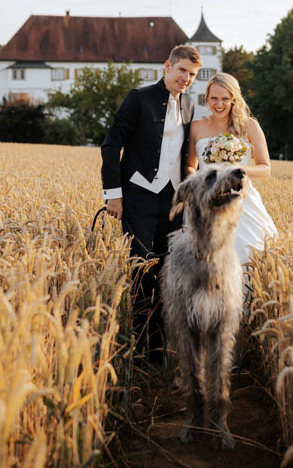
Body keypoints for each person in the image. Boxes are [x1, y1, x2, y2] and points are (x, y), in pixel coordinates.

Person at [100, 44, 201, 362]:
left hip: (173, 202)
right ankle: (142, 349)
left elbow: (187, 155)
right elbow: (111, 144)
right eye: (182, 70)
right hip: (139, 197)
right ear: (167, 66)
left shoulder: (189, 105)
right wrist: (113, 194)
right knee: (142, 271)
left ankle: (159, 350)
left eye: (192, 74)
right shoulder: (138, 97)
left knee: (169, 273)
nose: (186, 78)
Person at [186, 72, 278, 308]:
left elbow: (265, 168)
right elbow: (190, 164)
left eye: (225, 99)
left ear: (234, 98)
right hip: (209, 202)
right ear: (206, 98)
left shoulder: (249, 126)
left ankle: (246, 316)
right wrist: (196, 183)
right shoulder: (196, 128)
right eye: (214, 98)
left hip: (242, 202)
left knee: (246, 256)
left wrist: (239, 168)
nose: (219, 104)